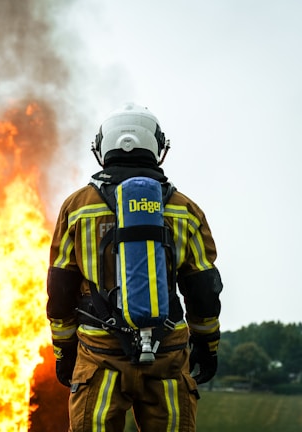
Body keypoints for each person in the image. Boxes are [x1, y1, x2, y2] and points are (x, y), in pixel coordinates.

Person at [46, 102, 223, 431]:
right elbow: (203, 290)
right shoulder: (185, 209)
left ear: (102, 148)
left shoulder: (78, 207)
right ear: (158, 148)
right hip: (167, 355)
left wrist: (63, 350)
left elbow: (59, 289)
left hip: (99, 353)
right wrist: (207, 345)